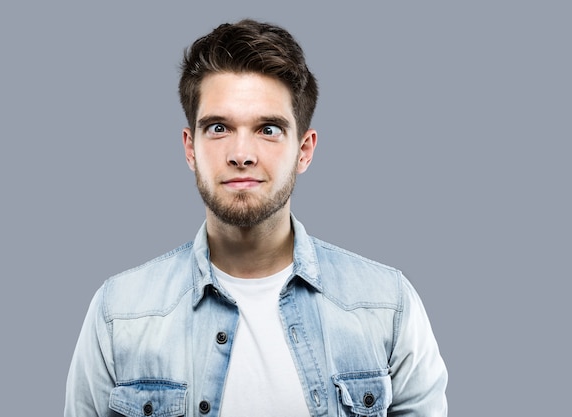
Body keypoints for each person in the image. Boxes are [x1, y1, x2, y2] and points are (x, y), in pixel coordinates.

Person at [65, 19, 448, 417]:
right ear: (190, 148)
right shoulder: (119, 313)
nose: (241, 153)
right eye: (218, 127)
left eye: (268, 129)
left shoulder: (387, 306)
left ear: (304, 150)